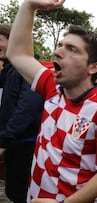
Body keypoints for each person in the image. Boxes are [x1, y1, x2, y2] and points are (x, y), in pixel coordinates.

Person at [7, 0, 97, 202]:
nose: (57, 52)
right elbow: (18, 53)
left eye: (72, 49)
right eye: (60, 45)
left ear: (92, 67)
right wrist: (28, 6)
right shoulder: (52, 86)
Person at [0, 23, 44, 203]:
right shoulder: (10, 70)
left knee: (22, 194)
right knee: (13, 191)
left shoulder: (29, 68)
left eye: (0, 40)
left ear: (15, 40)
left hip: (26, 145)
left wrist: (4, 139)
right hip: (13, 143)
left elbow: (27, 108)